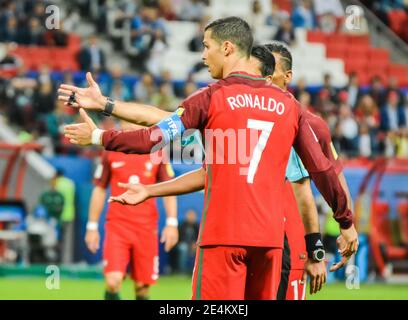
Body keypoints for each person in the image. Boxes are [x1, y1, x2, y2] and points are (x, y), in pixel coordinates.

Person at [60, 17, 357, 300]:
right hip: (270, 242)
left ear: (227, 48)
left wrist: (99, 136)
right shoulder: (289, 107)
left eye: (206, 46)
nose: (203, 56)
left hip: (222, 237)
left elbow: (153, 137)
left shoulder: (211, 98)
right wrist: (345, 222)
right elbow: (322, 169)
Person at [85, 121, 178, 300]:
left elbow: (170, 188)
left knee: (142, 288)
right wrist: (91, 226)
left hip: (146, 228)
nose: (130, 124)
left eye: (135, 120)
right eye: (126, 119)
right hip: (117, 226)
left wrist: (172, 223)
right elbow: (99, 189)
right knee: (113, 281)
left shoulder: (157, 150)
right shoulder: (111, 150)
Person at [54, 169, 76, 264]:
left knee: (57, 239)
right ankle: (66, 262)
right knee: (68, 242)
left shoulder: (56, 184)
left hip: (59, 215)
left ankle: (56, 261)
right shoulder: (70, 183)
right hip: (70, 214)